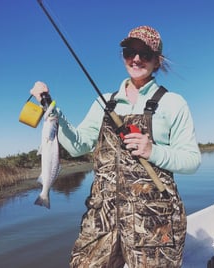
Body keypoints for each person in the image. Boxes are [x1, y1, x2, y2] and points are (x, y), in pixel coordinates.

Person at [30, 25, 201, 268]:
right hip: (102, 218)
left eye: (146, 53)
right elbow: (78, 145)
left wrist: (154, 151)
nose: (137, 58)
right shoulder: (103, 102)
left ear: (157, 61)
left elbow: (192, 160)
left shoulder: (173, 103)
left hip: (154, 223)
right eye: (130, 51)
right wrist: (52, 111)